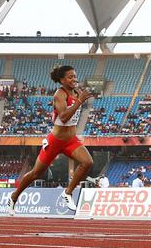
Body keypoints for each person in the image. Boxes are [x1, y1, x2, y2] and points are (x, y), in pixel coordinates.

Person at [7, 65, 95, 215]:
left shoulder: (77, 92)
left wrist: (79, 99)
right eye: (70, 77)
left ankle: (67, 193)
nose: (74, 79)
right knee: (36, 173)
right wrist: (79, 102)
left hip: (71, 140)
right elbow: (64, 117)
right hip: (55, 141)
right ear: (62, 80)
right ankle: (14, 197)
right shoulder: (59, 95)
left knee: (88, 162)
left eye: (75, 76)